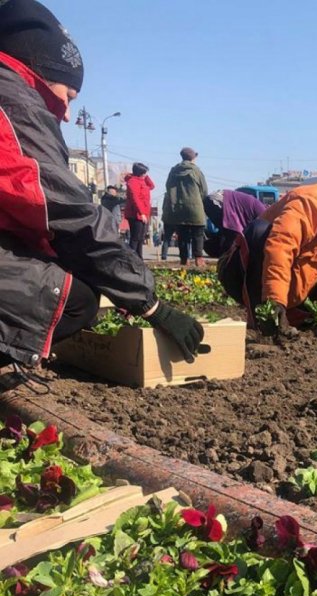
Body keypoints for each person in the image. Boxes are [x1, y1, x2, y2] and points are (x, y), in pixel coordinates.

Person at [0, 0, 203, 371]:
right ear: (40, 69)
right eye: (69, 95)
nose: (67, 109)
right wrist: (151, 304)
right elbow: (66, 214)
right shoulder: (13, 103)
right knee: (73, 299)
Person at [218, 161, 317, 339]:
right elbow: (280, 248)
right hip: (239, 273)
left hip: (287, 282)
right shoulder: (308, 204)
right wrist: (275, 300)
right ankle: (263, 318)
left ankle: (301, 317)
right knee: (259, 230)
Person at [163, 148, 208, 268]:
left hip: (178, 207)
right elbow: (204, 191)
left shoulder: (173, 171)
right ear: (193, 157)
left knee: (182, 235)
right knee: (198, 233)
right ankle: (198, 259)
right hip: (195, 207)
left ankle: (184, 260)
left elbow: (168, 187)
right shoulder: (196, 170)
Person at [203, 189, 267, 259]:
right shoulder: (264, 213)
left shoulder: (260, 208)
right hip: (218, 201)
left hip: (213, 200)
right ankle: (225, 258)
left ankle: (214, 248)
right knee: (232, 235)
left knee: (226, 233)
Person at [124, 162, 154, 259]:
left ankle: (139, 258)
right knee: (135, 238)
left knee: (141, 238)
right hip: (135, 214)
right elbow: (135, 198)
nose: (146, 175)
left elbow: (152, 186)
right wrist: (141, 213)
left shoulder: (142, 180)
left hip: (144, 212)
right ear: (139, 173)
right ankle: (132, 258)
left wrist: (146, 176)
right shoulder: (133, 182)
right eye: (144, 173)